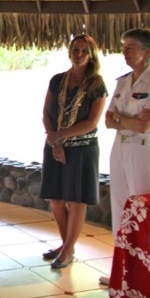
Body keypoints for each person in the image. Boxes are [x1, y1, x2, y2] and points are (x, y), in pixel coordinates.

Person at [100, 28, 150, 285]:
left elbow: (144, 127)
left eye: (130, 47)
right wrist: (125, 120)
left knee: (143, 211)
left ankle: (148, 273)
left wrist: (121, 119)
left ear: (147, 52)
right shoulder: (122, 81)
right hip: (120, 148)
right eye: (124, 46)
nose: (124, 52)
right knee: (120, 209)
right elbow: (108, 120)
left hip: (142, 150)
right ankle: (121, 273)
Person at [39, 34, 107, 269]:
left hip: (82, 149)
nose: (78, 54)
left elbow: (91, 122)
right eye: (75, 49)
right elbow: (46, 113)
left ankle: (67, 251)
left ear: (91, 55)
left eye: (84, 51)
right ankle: (66, 244)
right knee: (56, 200)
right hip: (55, 146)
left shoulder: (97, 84)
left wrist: (60, 137)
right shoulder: (57, 80)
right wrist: (55, 142)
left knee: (76, 201)